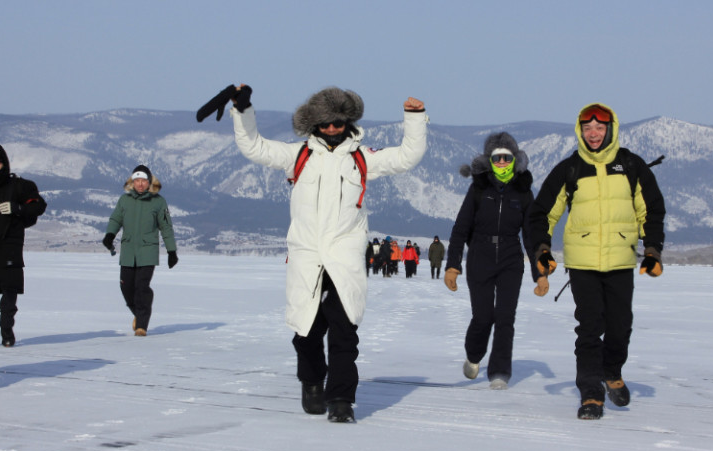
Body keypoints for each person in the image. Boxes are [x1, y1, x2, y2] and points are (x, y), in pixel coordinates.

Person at [228, 85, 427, 423]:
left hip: (345, 258)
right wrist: (243, 110)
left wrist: (414, 118)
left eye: (338, 122)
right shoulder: (298, 156)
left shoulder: (363, 158)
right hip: (306, 255)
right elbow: (254, 147)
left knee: (344, 330)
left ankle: (341, 400)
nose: (332, 129)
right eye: (325, 123)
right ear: (314, 124)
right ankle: (311, 381)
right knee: (306, 330)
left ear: (347, 121)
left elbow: (407, 156)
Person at [527, 103, 666, 420]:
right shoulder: (569, 169)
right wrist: (542, 251)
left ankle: (612, 369)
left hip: (620, 261)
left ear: (610, 130)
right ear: (580, 131)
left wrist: (653, 250)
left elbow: (651, 210)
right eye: (587, 128)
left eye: (599, 128)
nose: (593, 134)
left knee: (620, 326)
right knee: (589, 328)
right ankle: (591, 393)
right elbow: (542, 214)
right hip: (582, 263)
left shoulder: (631, 166)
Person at [443, 132, 542, 390]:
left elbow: (531, 236)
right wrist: (452, 265)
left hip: (510, 258)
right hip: (480, 256)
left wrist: (538, 272)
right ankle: (474, 355)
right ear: (489, 160)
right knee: (483, 317)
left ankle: (499, 371)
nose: (501, 162)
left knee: (506, 317)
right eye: (496, 157)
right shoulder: (478, 189)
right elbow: (460, 229)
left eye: (506, 157)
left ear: (514, 159)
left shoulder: (522, 192)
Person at [0, 145, 47, 348]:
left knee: (9, 296)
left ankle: (7, 332)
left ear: (4, 163)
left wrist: (18, 208)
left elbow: (39, 205)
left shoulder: (19, 186)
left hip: (9, 248)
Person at [102, 164, 178, 337]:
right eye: (137, 180)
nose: (140, 184)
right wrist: (109, 235)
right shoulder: (124, 200)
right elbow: (116, 219)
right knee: (126, 288)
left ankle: (141, 325)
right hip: (128, 251)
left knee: (141, 287)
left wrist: (171, 251)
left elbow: (166, 227)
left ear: (149, 181)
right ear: (132, 182)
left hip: (147, 252)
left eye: (143, 180)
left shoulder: (158, 202)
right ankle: (138, 313)